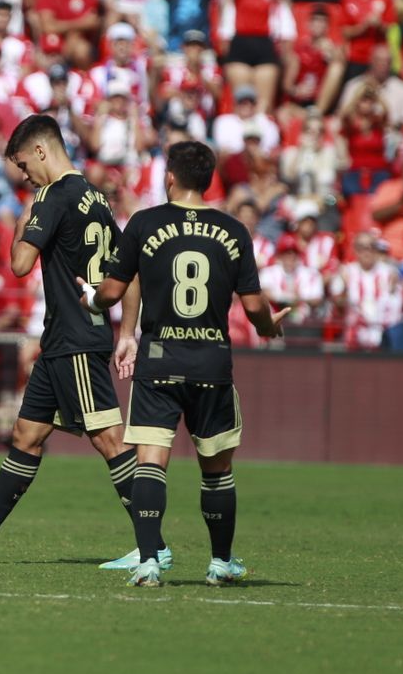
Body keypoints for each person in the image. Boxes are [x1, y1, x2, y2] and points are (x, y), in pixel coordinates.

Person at [0, 114, 149, 568]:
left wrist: (25, 217)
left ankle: (153, 544)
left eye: (24, 165)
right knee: (27, 434)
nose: (23, 176)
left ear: (42, 152)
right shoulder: (96, 198)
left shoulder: (51, 196)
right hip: (63, 339)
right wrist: (126, 332)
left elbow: (20, 263)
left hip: (76, 339)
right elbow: (132, 268)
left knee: (108, 439)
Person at [83, 139, 286, 588]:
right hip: (211, 363)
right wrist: (270, 327)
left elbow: (113, 292)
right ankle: (220, 562)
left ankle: (150, 561)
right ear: (210, 180)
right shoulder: (234, 231)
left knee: (151, 463)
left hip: (159, 361)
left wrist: (91, 299)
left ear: (169, 177)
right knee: (216, 470)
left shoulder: (144, 222)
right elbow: (253, 307)